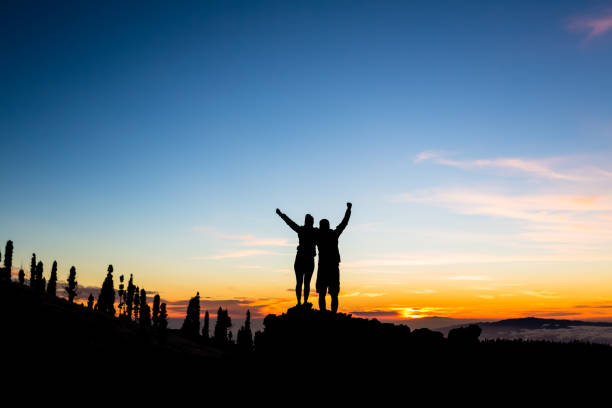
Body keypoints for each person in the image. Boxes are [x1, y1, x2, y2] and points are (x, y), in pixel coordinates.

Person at [276, 208, 318, 307]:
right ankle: (302, 302)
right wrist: (281, 214)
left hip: (301, 259)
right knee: (305, 282)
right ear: (312, 222)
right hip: (307, 260)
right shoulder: (314, 232)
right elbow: (290, 223)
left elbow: (290, 223)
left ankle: (300, 302)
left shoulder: (302, 230)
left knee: (300, 282)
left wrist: (281, 214)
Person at [316, 202, 351, 313]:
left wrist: (348, 210)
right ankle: (331, 314)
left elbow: (344, 223)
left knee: (326, 293)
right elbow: (344, 223)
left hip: (326, 267)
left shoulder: (320, 235)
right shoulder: (332, 234)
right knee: (331, 293)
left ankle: (326, 314)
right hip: (330, 267)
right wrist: (348, 209)